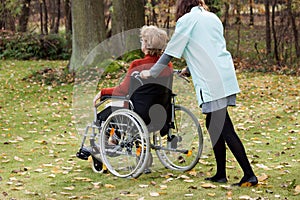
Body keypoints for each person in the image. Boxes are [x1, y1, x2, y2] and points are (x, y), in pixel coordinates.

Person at [140, 0, 258, 186]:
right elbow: (209, 48)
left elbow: (170, 52)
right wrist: (189, 68)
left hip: (212, 81)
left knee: (224, 127)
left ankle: (249, 174)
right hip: (225, 75)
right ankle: (221, 173)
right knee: (213, 124)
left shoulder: (187, 20)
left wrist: (151, 72)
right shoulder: (211, 18)